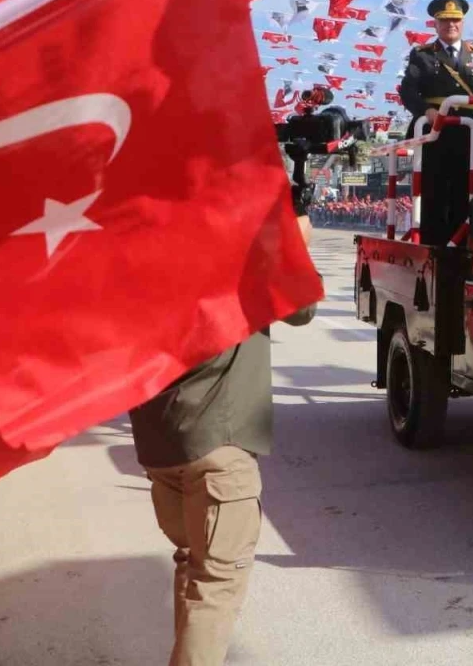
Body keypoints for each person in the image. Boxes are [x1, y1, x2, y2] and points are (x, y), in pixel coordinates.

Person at [130, 214, 317, 666]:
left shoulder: (140, 248)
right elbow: (302, 308)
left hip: (160, 442)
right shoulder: (237, 248)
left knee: (193, 565)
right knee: (214, 588)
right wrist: (294, 244)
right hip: (218, 445)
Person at [398, 0, 473, 244]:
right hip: (435, 132)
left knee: (467, 190)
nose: (451, 25)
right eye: (445, 20)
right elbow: (408, 90)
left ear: (463, 23)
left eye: (456, 20)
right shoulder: (423, 55)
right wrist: (425, 110)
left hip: (468, 134)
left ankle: (463, 244)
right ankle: (434, 245)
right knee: (435, 190)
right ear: (435, 24)